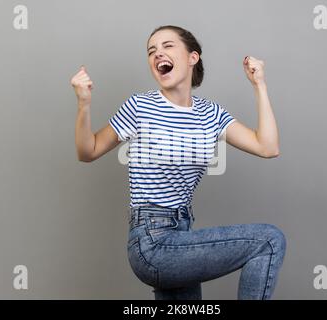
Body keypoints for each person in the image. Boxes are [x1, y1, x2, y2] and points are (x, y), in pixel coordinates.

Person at [71, 25, 286, 300]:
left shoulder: (211, 113)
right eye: (151, 51)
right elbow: (87, 151)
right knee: (268, 240)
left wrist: (260, 85)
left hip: (182, 235)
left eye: (167, 46)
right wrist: (84, 104)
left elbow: (267, 147)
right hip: (152, 242)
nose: (158, 53)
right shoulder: (140, 106)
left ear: (192, 57)